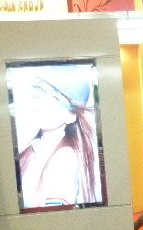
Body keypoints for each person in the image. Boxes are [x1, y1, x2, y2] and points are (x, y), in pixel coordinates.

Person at [17, 68, 98, 209]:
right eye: (41, 90)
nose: (43, 101)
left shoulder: (64, 159)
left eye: (56, 98)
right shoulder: (36, 149)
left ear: (71, 116)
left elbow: (56, 216)